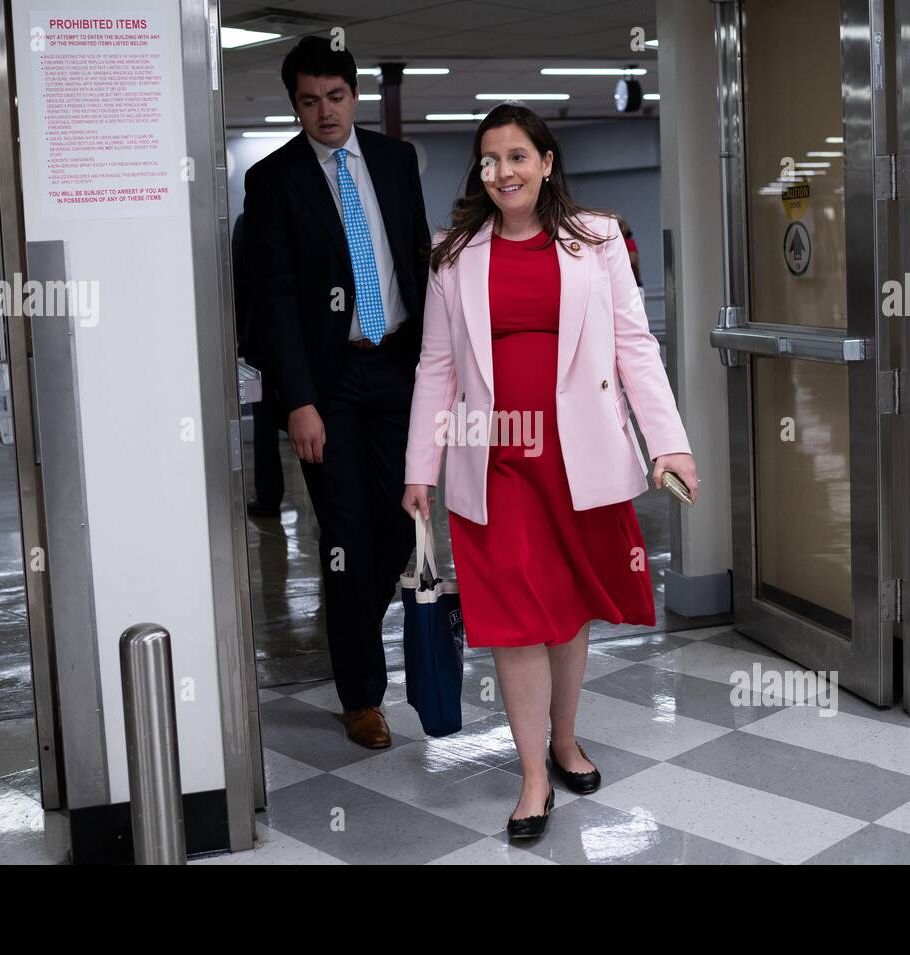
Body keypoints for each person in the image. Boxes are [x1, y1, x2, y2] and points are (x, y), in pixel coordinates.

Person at [402, 104, 698, 838]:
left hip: (578, 456)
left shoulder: (596, 239)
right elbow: (437, 365)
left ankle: (565, 738)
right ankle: (534, 774)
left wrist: (670, 441)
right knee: (513, 621)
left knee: (565, 609)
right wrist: (421, 467)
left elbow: (635, 345)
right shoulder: (453, 252)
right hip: (492, 457)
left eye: (516, 157)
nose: (502, 171)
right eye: (489, 160)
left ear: (546, 162)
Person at [243, 36, 431, 748]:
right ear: (294, 104)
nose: (325, 112)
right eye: (309, 100)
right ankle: (361, 693)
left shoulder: (393, 162)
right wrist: (297, 400)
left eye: (336, 96)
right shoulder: (274, 180)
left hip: (398, 367)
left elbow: (417, 261)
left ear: (356, 96)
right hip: (330, 384)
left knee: (396, 523)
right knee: (347, 534)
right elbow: (276, 299)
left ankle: (360, 620)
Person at [231, 212, 285, 515]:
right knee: (319, 416)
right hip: (302, 339)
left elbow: (237, 279)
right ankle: (329, 500)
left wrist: (239, 334)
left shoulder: (246, 222)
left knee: (264, 421)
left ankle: (268, 496)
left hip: (258, 339)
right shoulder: (299, 216)